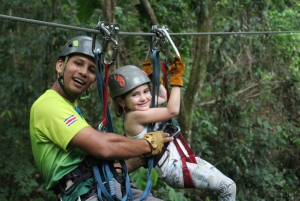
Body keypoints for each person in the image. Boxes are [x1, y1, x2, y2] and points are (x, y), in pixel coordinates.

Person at [29, 35, 173, 201]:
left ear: (92, 82)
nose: (83, 72)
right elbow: (103, 146)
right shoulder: (49, 105)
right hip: (87, 194)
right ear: (60, 66)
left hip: (108, 185)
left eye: (91, 70)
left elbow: (106, 164)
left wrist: (148, 148)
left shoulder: (71, 109)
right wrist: (148, 145)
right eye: (78, 63)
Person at [108, 56, 237, 201]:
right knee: (227, 187)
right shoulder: (134, 117)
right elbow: (172, 110)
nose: (143, 98)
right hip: (174, 169)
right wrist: (177, 80)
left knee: (230, 185)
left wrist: (154, 78)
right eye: (135, 95)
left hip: (183, 158)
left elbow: (163, 97)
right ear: (121, 101)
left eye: (146, 91)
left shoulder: (142, 109)